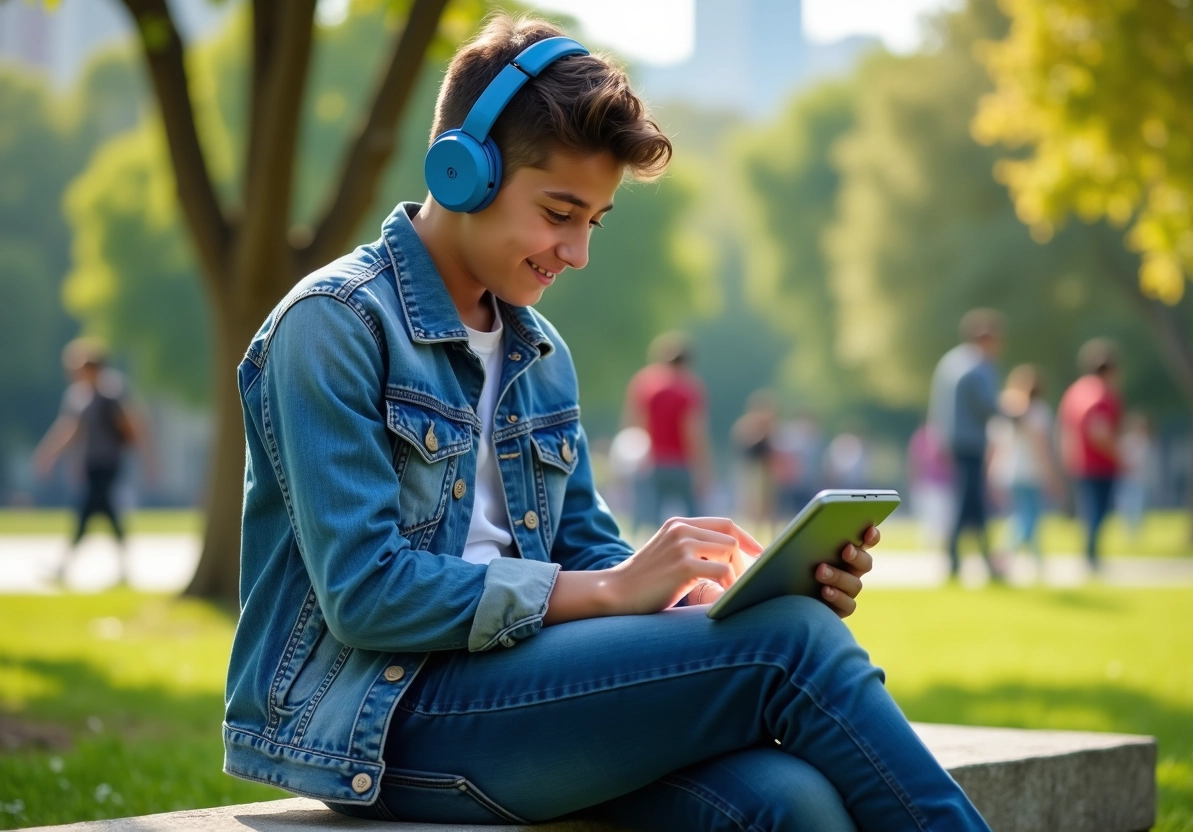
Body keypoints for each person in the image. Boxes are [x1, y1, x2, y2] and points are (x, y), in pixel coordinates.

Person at [220, 15, 990, 832]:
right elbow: (366, 594)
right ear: (462, 174)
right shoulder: (333, 325)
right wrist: (608, 592)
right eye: (559, 213)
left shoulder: (538, 350)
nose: (577, 252)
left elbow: (584, 546)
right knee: (790, 644)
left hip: (521, 693)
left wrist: (692, 602)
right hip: (385, 720)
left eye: (594, 220)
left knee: (788, 804)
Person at [32, 338, 148, 586]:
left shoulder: (112, 392)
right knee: (106, 512)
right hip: (91, 463)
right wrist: (49, 453)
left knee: (85, 511)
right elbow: (70, 430)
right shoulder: (77, 396)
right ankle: (124, 569)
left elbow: (130, 426)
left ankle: (64, 567)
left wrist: (146, 458)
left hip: (108, 463)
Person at [928, 309, 1006, 582]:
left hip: (953, 441)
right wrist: (1014, 411)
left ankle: (977, 558)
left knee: (970, 502)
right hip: (970, 443)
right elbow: (986, 406)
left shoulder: (950, 362)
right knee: (967, 502)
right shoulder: (977, 365)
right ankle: (959, 557)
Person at [622, 332, 710, 529]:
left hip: (652, 462)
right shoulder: (689, 389)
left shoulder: (644, 385)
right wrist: (703, 469)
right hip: (681, 463)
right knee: (693, 518)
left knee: (651, 519)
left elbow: (633, 425)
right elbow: (693, 432)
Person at [987, 365, 1061, 577]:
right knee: (1030, 518)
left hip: (1007, 472)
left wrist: (989, 472)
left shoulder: (1005, 410)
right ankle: (1003, 553)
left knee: (1026, 516)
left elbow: (994, 445)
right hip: (1030, 472)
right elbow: (1041, 447)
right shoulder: (1037, 412)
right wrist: (1051, 474)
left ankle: (1038, 561)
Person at [1059, 338, 1123, 572]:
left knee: (1090, 511)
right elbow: (1099, 431)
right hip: (1100, 463)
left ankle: (1090, 554)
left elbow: (1065, 428)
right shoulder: (1101, 394)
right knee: (1098, 512)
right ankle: (1092, 556)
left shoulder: (1075, 391)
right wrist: (1120, 455)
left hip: (1079, 461)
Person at [730, 389, 780, 528]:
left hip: (766, 470)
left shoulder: (771, 428)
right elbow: (746, 448)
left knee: (768, 504)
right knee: (751, 504)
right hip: (751, 469)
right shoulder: (746, 426)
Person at [1116, 412, 1154, 539]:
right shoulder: (1128, 441)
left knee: (1138, 506)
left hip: (1139, 480)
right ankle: (1128, 532)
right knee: (1126, 506)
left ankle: (1135, 533)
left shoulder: (1146, 443)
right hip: (1127, 479)